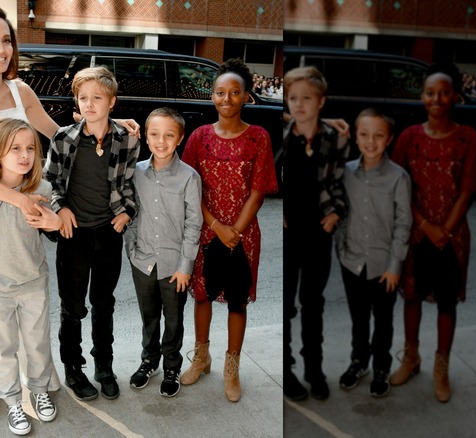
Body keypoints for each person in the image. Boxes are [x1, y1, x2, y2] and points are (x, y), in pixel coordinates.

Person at [0, 3, 138, 417]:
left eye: (6, 40)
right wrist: (20, 200)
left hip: (23, 212)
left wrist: (115, 127)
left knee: (30, 306)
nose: (1, 49)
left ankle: (39, 382)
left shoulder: (21, 90)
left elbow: (59, 134)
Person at [179, 59, 278, 403]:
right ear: (212, 96)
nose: (226, 98)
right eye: (220, 92)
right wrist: (216, 226)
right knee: (202, 294)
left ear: (246, 97)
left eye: (234, 92)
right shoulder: (199, 137)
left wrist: (234, 229)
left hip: (243, 235)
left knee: (237, 301)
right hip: (207, 231)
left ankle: (231, 367)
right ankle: (201, 357)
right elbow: (189, 188)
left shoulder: (258, 138)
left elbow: (259, 189)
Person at [390, 63, 476, 403]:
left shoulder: (467, 137)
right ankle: (411, 357)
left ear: (455, 96)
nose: (437, 98)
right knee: (412, 295)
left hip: (452, 236)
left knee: (447, 301)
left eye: (444, 92)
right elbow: (400, 186)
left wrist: (444, 229)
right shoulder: (409, 137)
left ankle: (441, 366)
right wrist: (425, 225)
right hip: (416, 233)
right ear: (422, 97)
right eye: (430, 92)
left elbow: (468, 189)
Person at [0, 118, 62, 435]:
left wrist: (53, 222)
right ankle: (13, 402)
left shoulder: (41, 189)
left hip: (34, 285)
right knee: (3, 349)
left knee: (38, 344)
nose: (25, 155)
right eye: (15, 148)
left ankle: (40, 391)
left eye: (30, 148)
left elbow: (59, 222)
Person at [44, 65, 140, 402]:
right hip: (73, 236)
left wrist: (128, 211)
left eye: (97, 97)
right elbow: (52, 182)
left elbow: (128, 183)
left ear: (112, 101)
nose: (89, 103)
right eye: (83, 98)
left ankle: (104, 368)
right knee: (72, 308)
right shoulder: (63, 139)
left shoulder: (127, 139)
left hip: (107, 233)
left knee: (104, 304)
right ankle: (73, 368)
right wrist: (60, 208)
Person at [282, 66, 349, 402]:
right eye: (293, 98)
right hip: (289, 235)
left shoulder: (335, 138)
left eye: (307, 98)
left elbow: (338, 182)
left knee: (313, 303)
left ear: (321, 101)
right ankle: (287, 369)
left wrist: (336, 211)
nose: (299, 104)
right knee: (285, 304)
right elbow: (268, 180)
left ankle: (314, 369)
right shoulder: (283, 136)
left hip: (319, 232)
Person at [334, 108, 412, 398]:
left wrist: (395, 266)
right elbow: (339, 211)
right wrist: (341, 249)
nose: (370, 141)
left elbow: (404, 223)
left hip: (384, 267)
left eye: (378, 136)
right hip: (352, 261)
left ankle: (381, 366)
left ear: (389, 138)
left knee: (383, 320)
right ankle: (359, 361)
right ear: (355, 136)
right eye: (364, 134)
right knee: (358, 318)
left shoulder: (398, 178)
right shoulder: (346, 172)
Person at [125, 108, 202, 397]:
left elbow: (194, 223)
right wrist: (131, 249)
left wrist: (186, 266)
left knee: (173, 319)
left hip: (174, 266)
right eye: (154, 134)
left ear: (179, 138)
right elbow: (131, 212)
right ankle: (149, 361)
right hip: (142, 260)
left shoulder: (188, 177)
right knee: (149, 317)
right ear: (146, 137)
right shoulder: (136, 172)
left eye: (169, 135)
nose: (161, 141)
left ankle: (172, 365)